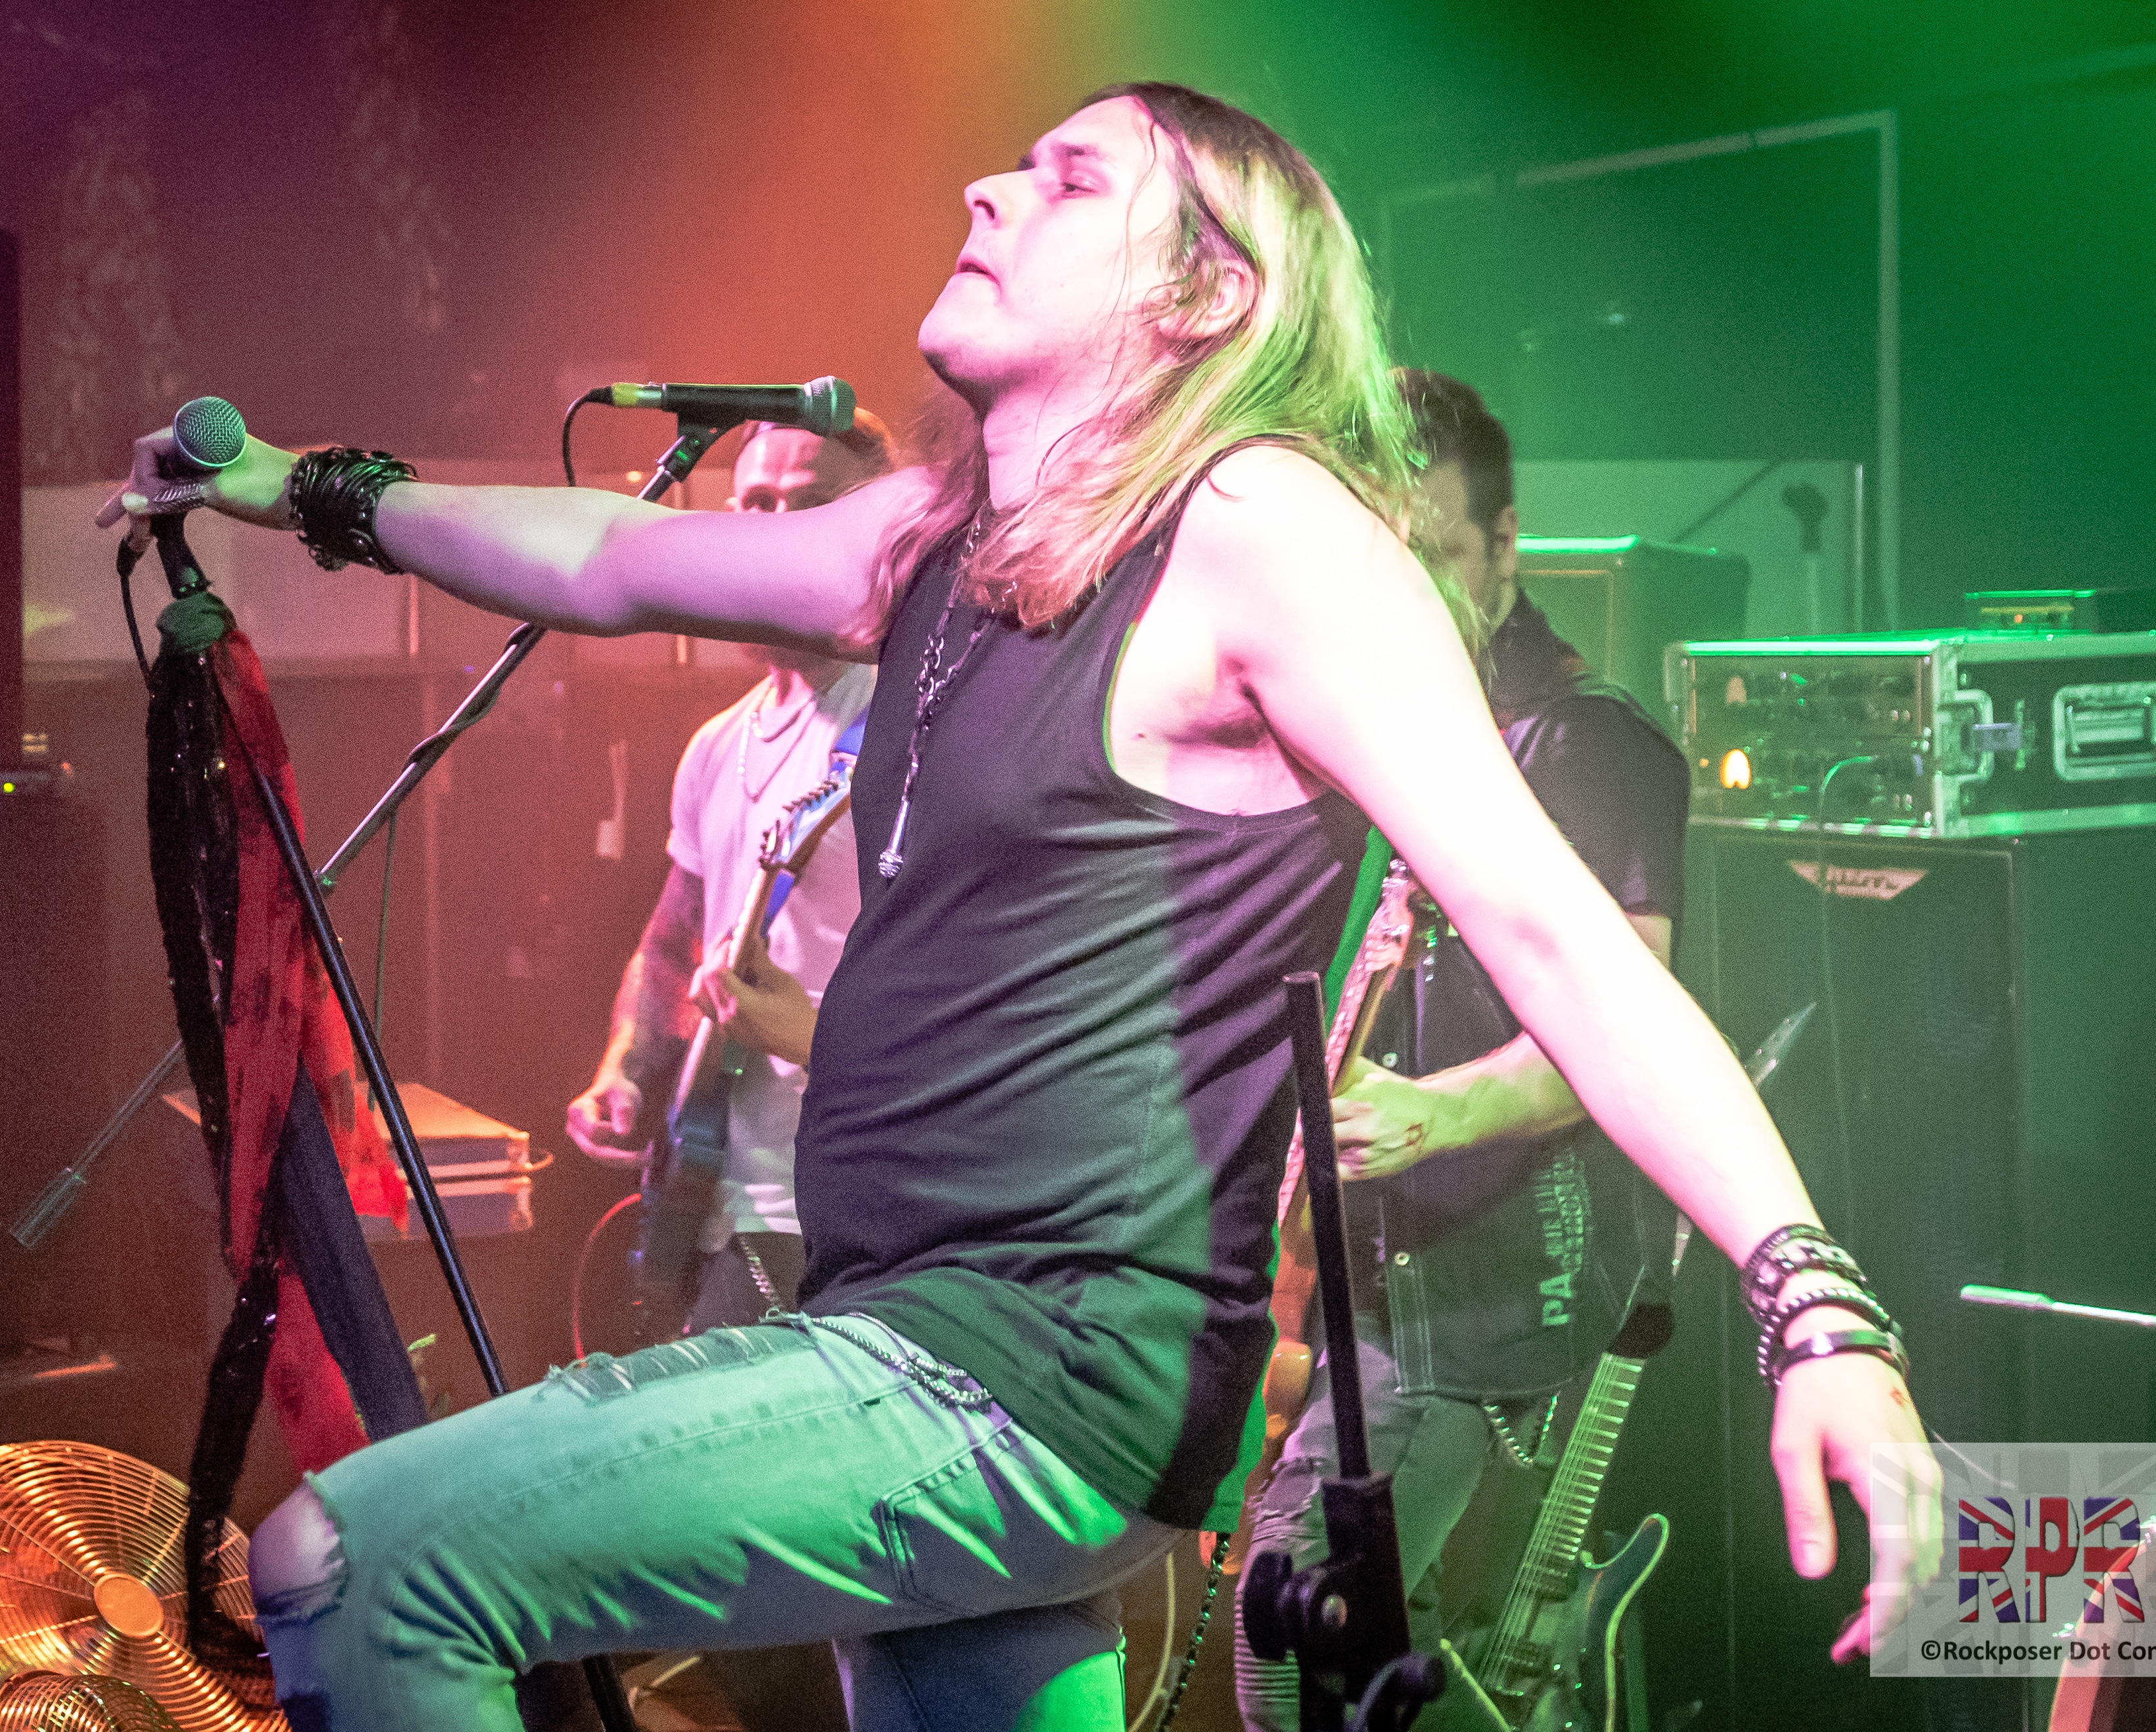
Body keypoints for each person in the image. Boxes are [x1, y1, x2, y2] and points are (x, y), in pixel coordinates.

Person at [104, 81, 1937, 1732]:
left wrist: (1818, 1314)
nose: (988, 187)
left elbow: (1559, 936)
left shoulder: (1259, 531)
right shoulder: (945, 538)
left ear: (1205, 295)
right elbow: (616, 556)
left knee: (357, 1568)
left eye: (1069, 180)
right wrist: (294, 488)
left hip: (1014, 1377)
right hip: (943, 1349)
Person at [1231, 371, 1692, 1729]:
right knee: (1388, 1647)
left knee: (1300, 1649)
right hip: (1360, 1283)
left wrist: (1432, 1114)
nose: (1410, 596)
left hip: (1485, 1284)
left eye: (1437, 555)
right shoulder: (1354, 732)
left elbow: (1622, 1032)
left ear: (1504, 546)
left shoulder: (1592, 746)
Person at [563, 418, 890, 1732]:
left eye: (803, 502)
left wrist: (810, 1026)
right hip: (716, 1193)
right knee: (729, 1572)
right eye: (747, 502)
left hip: (847, 1205)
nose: (765, 529)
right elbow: (669, 940)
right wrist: (623, 1069)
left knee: (771, 1563)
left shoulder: (905, 727)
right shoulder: (720, 744)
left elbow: (988, 987)